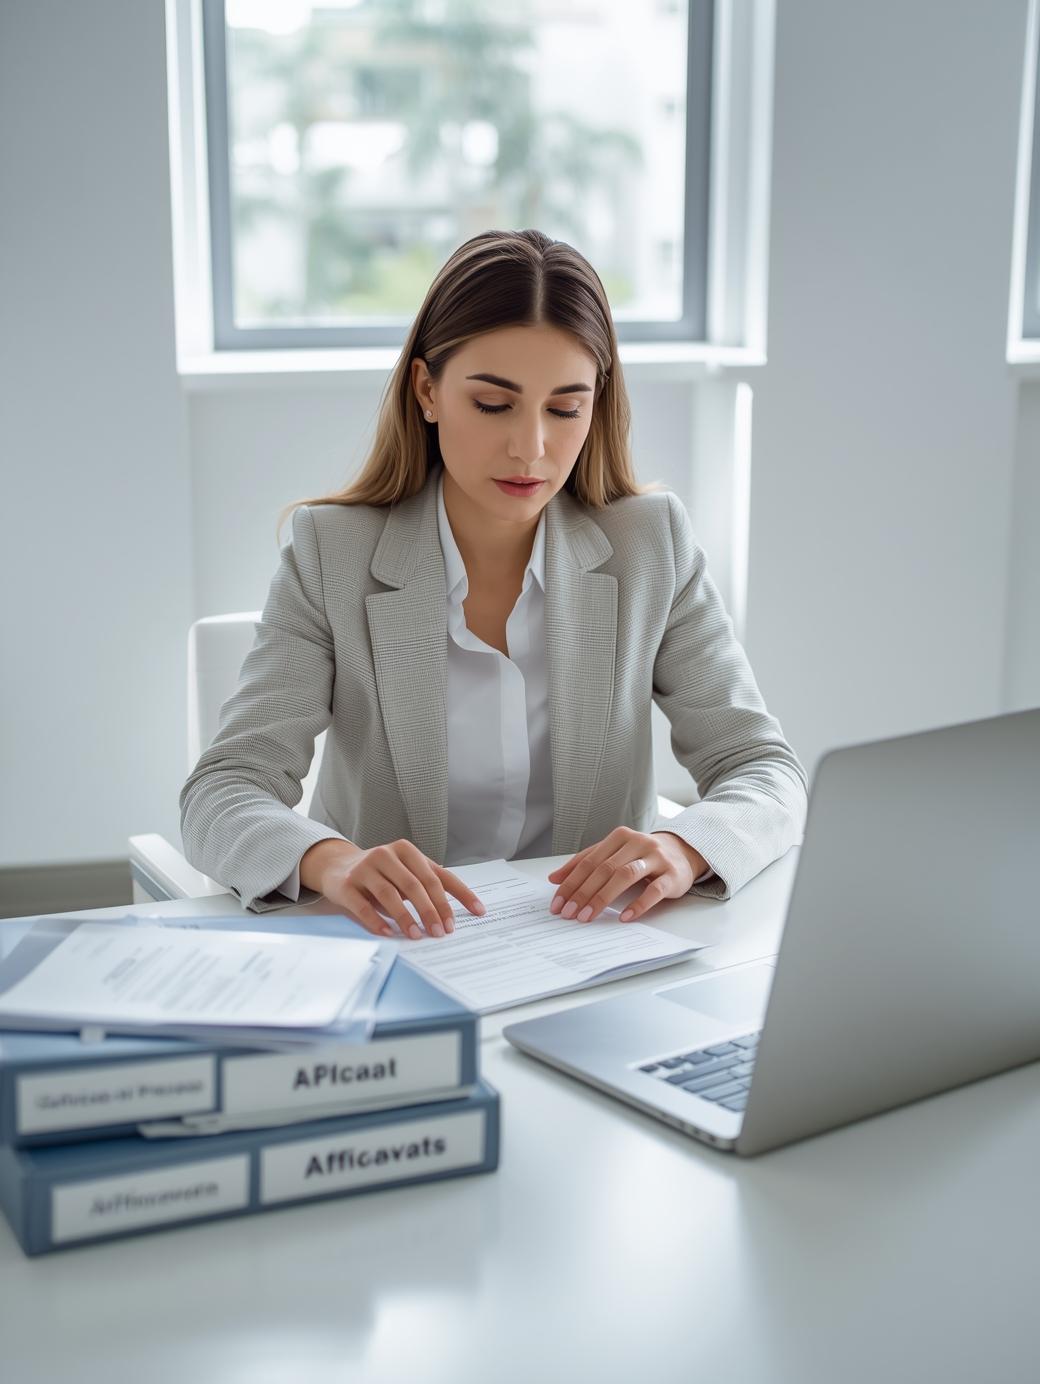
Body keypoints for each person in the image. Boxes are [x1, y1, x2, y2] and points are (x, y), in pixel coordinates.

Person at [179, 228, 807, 941]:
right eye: (493, 404)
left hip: (591, 952)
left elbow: (763, 768)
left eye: (565, 409)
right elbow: (222, 791)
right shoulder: (332, 552)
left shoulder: (650, 543)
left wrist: (683, 847)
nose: (530, 448)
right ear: (427, 391)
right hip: (399, 949)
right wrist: (332, 862)